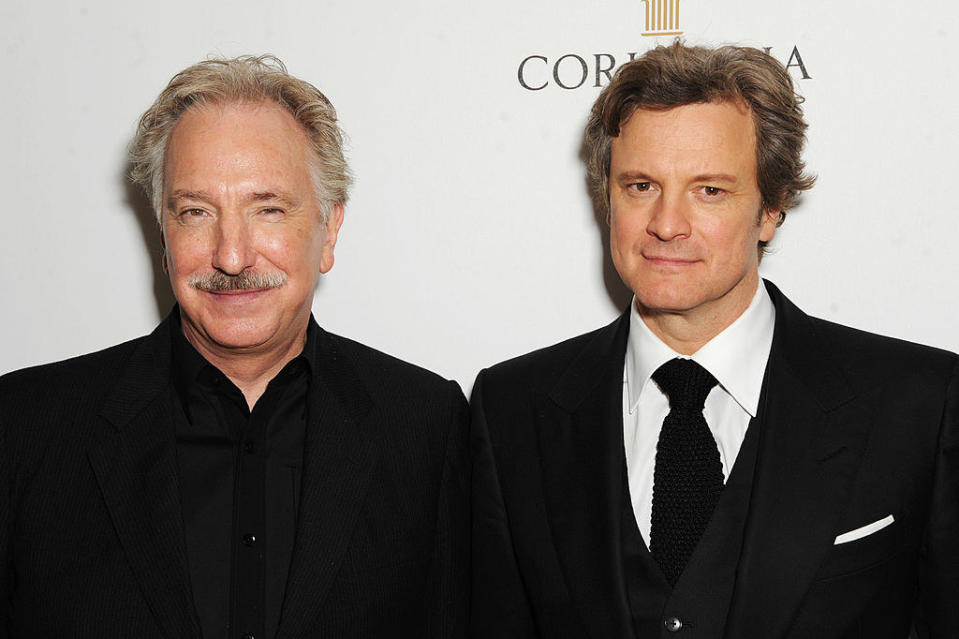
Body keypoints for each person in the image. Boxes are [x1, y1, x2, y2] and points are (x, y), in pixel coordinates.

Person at [470, 41, 958, 638]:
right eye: (641, 185)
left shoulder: (919, 404)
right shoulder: (511, 407)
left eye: (710, 191)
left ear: (772, 208)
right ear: (608, 198)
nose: (667, 224)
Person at [0, 55, 468, 639]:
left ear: (330, 229)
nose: (231, 255)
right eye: (195, 212)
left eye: (267, 209)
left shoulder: (425, 424)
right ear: (163, 232)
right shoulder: (22, 427)